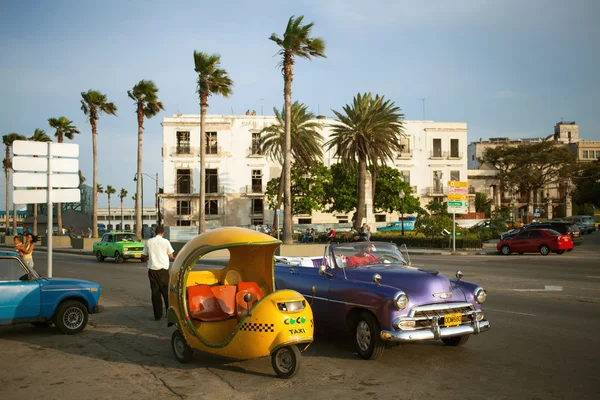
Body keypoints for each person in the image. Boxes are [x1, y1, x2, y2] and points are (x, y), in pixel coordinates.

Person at [142, 225, 174, 321]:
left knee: (155, 293)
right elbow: (171, 256)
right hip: (163, 271)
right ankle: (169, 314)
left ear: (154, 232)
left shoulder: (149, 242)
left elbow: (144, 254)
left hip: (152, 271)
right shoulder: (166, 242)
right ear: (163, 232)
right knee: (165, 293)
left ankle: (157, 315)